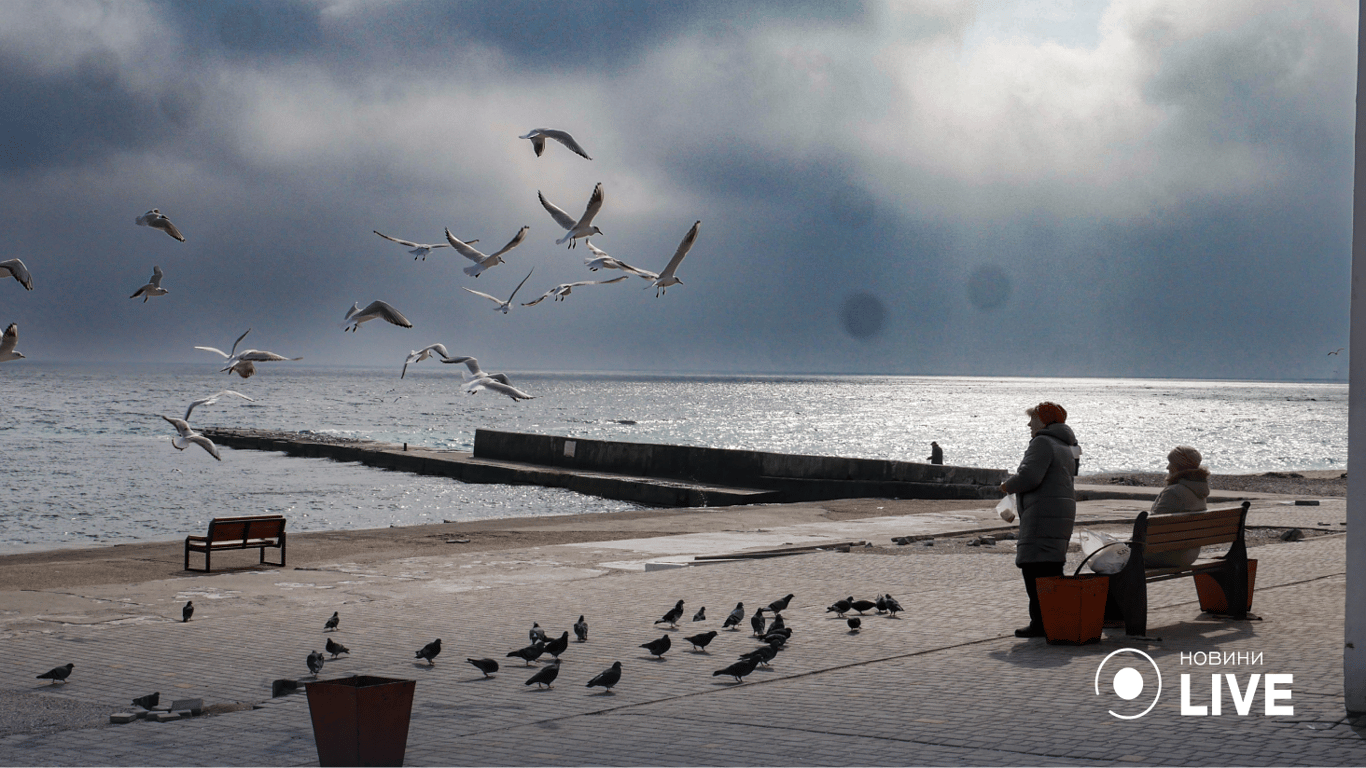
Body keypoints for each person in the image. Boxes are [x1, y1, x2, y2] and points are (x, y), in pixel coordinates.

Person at [999, 402, 1081, 638]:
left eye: (1032, 419)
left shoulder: (1042, 442)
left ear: (1044, 421)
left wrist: (1007, 485)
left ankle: (1041, 622)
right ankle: (1056, 618)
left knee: (1033, 565)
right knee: (1052, 565)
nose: (1028, 424)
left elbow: (1030, 476)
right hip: (1061, 510)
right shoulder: (1068, 445)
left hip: (1042, 512)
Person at [1144, 445, 1210, 568]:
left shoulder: (1173, 492)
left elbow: (1152, 526)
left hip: (1167, 555)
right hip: (1190, 554)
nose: (1167, 467)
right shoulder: (1200, 491)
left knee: (1117, 556)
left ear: (1178, 467)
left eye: (1170, 463)